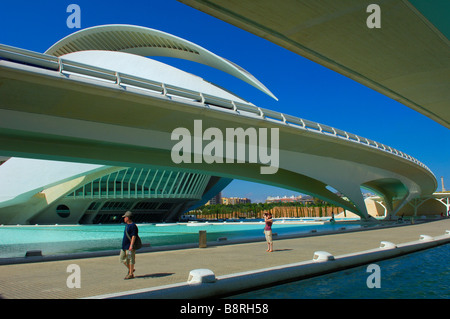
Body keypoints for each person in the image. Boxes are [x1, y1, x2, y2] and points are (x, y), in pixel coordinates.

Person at [120, 211, 138, 279]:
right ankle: (131, 269)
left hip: (129, 246)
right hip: (124, 246)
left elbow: (134, 236)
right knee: (122, 259)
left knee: (130, 259)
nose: (124, 218)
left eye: (125, 217)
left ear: (128, 218)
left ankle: (130, 274)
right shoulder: (127, 225)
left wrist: (131, 245)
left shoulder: (133, 226)